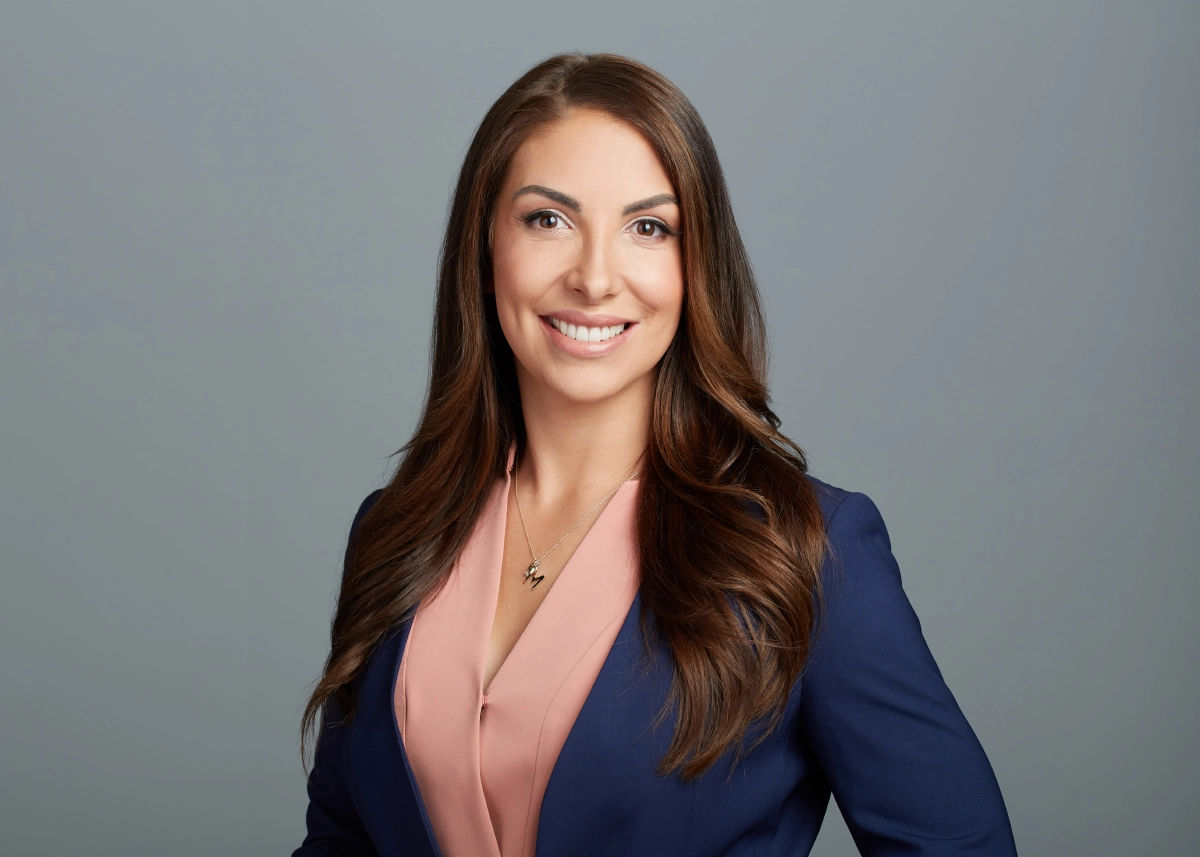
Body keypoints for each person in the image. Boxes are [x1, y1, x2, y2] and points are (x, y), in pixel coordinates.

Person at [293, 53, 1017, 857]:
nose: (596, 277)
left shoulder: (807, 550)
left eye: (648, 227)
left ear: (694, 262)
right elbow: (342, 842)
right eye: (548, 219)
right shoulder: (396, 530)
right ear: (484, 245)